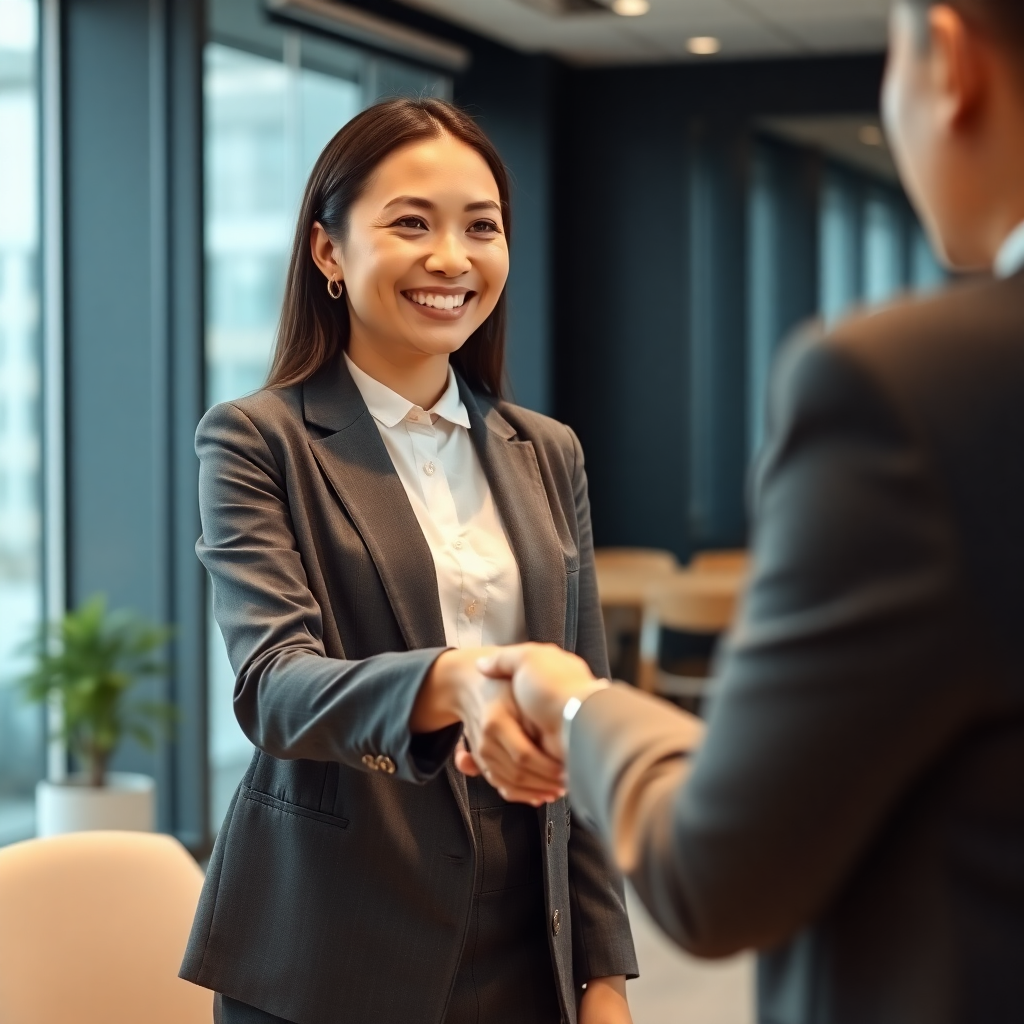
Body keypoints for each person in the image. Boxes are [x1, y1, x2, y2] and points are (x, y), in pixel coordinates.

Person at [463, 2, 1024, 1021]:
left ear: (945, 58)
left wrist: (575, 702)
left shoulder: (909, 389)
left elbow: (716, 868)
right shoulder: (256, 436)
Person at [180, 98, 637, 1024]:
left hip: (525, 945)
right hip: (330, 950)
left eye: (482, 226)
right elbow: (272, 687)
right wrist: (456, 683)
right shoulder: (258, 440)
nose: (452, 259)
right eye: (411, 224)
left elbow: (581, 713)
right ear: (328, 253)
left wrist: (603, 976)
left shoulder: (547, 451)